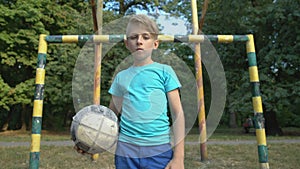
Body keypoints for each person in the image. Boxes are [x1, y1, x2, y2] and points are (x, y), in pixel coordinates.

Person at [108, 14, 185, 169]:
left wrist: (179, 157)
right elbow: (110, 117)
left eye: (146, 37)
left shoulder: (165, 72)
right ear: (126, 43)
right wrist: (89, 141)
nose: (139, 41)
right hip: (126, 150)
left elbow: (178, 114)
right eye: (133, 37)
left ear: (155, 43)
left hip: (159, 149)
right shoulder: (121, 77)